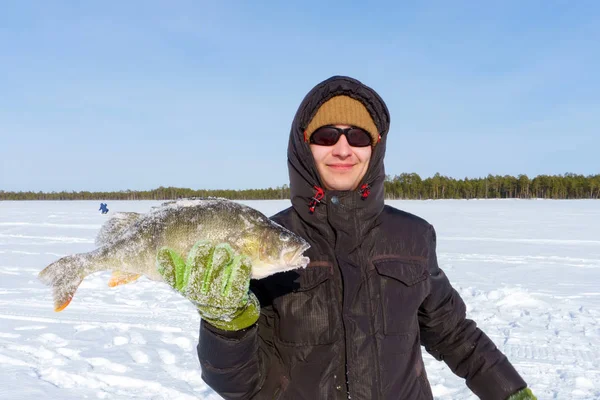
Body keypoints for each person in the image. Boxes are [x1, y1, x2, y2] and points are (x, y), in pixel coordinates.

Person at [157, 76, 536, 399]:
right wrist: (226, 324)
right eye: (326, 135)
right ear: (305, 146)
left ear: (375, 146)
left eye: (357, 135)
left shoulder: (413, 236)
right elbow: (237, 386)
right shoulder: (265, 241)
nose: (342, 149)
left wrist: (512, 391)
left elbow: (454, 335)